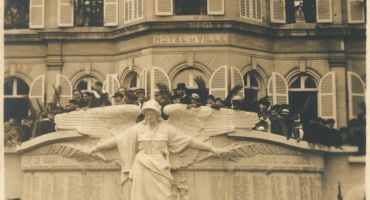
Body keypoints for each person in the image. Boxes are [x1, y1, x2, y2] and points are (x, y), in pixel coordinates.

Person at [88, 100, 222, 200]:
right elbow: (118, 140)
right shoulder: (138, 129)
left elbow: (189, 140)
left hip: (160, 164)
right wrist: (96, 148)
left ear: (157, 114)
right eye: (146, 112)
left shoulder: (167, 129)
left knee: (165, 195)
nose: (149, 115)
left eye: (151, 112)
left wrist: (210, 148)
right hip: (141, 164)